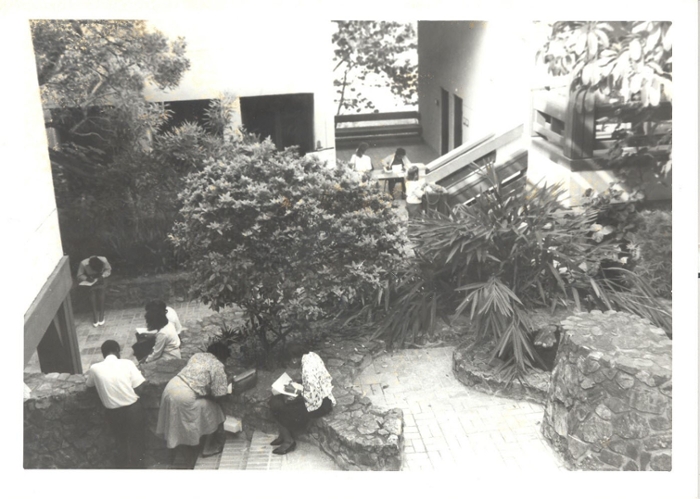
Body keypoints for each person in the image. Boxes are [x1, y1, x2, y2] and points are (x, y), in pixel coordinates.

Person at [156, 341, 232, 457]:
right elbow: (219, 395)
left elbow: (198, 378)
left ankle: (177, 449)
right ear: (222, 356)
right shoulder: (217, 365)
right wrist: (227, 381)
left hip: (171, 387)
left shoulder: (196, 356)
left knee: (176, 419)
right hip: (184, 395)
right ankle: (208, 448)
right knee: (213, 410)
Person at [85, 340, 147, 469]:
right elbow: (140, 386)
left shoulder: (95, 368)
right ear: (117, 351)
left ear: (103, 354)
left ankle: (123, 466)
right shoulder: (128, 363)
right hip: (133, 409)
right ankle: (138, 466)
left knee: (120, 441)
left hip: (113, 412)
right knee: (137, 440)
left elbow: (89, 386)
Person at [268, 351, 336, 455]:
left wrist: (295, 396)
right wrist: (297, 386)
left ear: (294, 360)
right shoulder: (310, 356)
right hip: (321, 396)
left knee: (277, 405)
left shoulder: (308, 369)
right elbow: (311, 384)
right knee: (276, 399)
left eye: (289, 363)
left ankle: (288, 441)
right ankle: (283, 435)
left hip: (320, 404)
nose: (290, 366)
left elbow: (311, 396)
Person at [76, 256, 111, 327]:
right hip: (90, 279)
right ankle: (95, 314)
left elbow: (108, 270)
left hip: (102, 278)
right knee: (92, 291)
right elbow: (79, 275)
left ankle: (101, 314)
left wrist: (103, 276)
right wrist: (87, 278)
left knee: (101, 289)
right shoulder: (83, 263)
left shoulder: (104, 260)